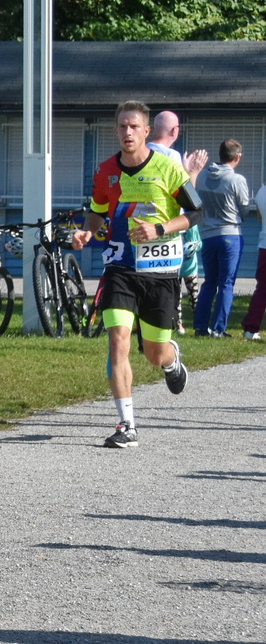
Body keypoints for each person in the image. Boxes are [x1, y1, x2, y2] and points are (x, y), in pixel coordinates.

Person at [71, 101, 199, 448]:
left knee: (154, 353)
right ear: (116, 131)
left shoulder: (168, 169)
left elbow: (196, 212)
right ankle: (127, 425)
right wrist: (87, 232)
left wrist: (159, 229)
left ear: (146, 132)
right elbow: (98, 214)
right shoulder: (105, 172)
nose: (128, 132)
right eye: (122, 127)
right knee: (118, 340)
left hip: (160, 270)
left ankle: (171, 361)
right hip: (120, 268)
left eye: (134, 127)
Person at [147, 112, 209, 334]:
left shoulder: (141, 152)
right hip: (168, 228)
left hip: (140, 227)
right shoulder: (170, 156)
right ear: (174, 131)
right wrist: (191, 172)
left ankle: (147, 322)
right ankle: (172, 323)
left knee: (145, 278)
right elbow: (187, 198)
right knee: (171, 278)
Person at [194, 139, 249, 337]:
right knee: (226, 283)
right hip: (230, 234)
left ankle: (200, 326)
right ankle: (218, 328)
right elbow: (244, 206)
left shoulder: (202, 176)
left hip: (207, 234)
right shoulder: (236, 179)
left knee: (209, 281)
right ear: (237, 157)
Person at [242, 182, 266, 342]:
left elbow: (259, 218)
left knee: (262, 290)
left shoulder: (262, 190)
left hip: (264, 245)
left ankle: (251, 328)